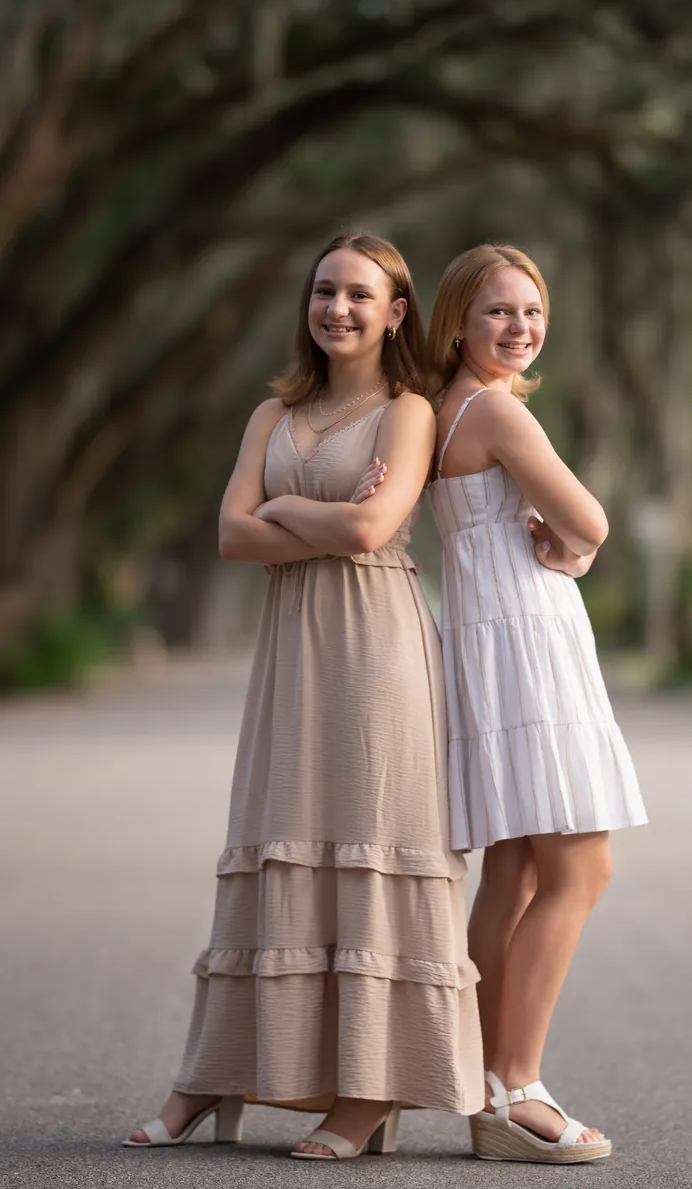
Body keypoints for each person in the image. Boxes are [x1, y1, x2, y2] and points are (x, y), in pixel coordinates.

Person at [125, 233, 483, 1159]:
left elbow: (372, 526)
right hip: (292, 652)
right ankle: (213, 1075)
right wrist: (302, 521)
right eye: (325, 291)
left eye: (361, 295)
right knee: (277, 836)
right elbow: (231, 539)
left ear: (396, 311)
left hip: (377, 654)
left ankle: (368, 1095)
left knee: (369, 841)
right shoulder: (270, 416)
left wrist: (283, 511)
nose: (339, 309)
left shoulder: (408, 412)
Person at [370, 242, 647, 1163]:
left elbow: (559, 533)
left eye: (532, 312)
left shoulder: (443, 412)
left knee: (516, 873)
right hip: (529, 647)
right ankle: (516, 1086)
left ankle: (486, 1081)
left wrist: (565, 543)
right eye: (499, 311)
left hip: (490, 644)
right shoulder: (493, 410)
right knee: (582, 870)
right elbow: (592, 521)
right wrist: (576, 544)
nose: (520, 328)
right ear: (455, 320)